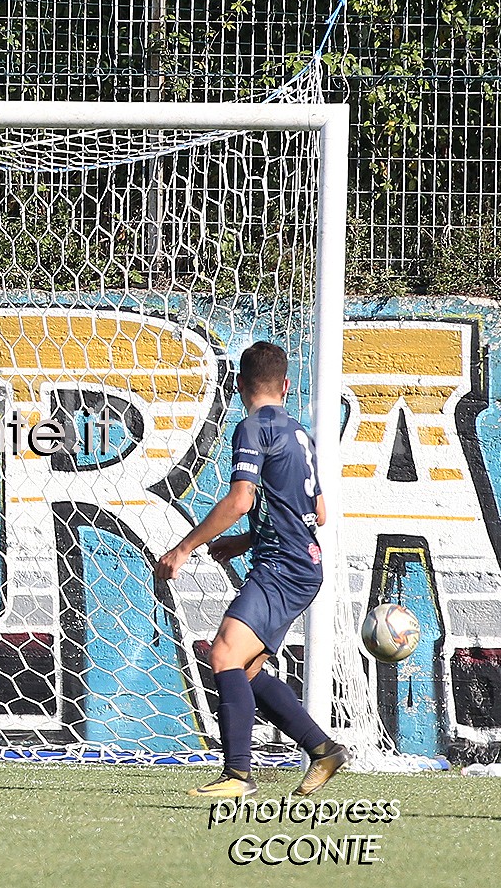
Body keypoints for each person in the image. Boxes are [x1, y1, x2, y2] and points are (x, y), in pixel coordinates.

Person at [154, 341, 348, 798]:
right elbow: (316, 512)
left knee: (222, 654)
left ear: (240, 385)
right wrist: (244, 542)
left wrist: (183, 548)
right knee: (246, 669)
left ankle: (237, 775)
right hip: (301, 564)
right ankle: (322, 749)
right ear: (285, 385)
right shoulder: (301, 434)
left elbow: (242, 500)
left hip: (283, 567)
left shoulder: (252, 427)